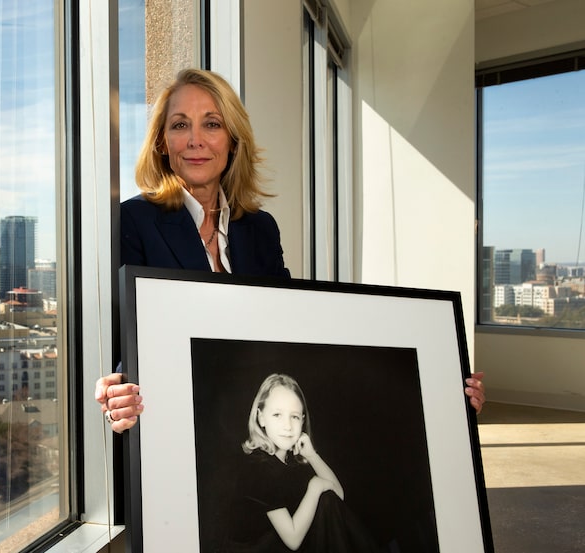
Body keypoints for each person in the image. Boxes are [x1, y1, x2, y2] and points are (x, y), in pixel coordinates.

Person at [95, 68, 486, 433]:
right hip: (174, 423)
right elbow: (126, 340)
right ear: (163, 142)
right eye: (180, 125)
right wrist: (116, 390)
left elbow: (294, 331)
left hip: (252, 420)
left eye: (212, 124)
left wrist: (442, 387)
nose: (196, 139)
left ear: (233, 140)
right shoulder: (132, 221)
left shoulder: (260, 229)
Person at [224, 373, 380, 552]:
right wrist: (314, 487)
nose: (288, 426)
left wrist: (312, 455)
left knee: (328, 501)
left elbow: (338, 494)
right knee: (322, 499)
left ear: (303, 420)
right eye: (277, 414)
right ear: (261, 418)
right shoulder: (258, 467)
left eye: (295, 417)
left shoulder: (290, 462)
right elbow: (293, 539)